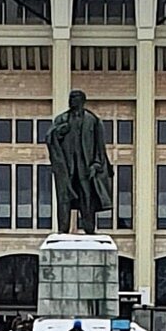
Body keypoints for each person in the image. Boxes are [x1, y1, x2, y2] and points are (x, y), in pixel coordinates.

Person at [46, 89, 114, 234]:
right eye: (70, 98)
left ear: (82, 101)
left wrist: (97, 163)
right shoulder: (62, 119)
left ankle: (89, 229)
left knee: (87, 197)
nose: (71, 101)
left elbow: (99, 146)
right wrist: (59, 132)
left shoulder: (93, 120)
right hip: (67, 166)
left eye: (75, 98)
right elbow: (50, 137)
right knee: (64, 198)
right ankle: (62, 230)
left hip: (86, 166)